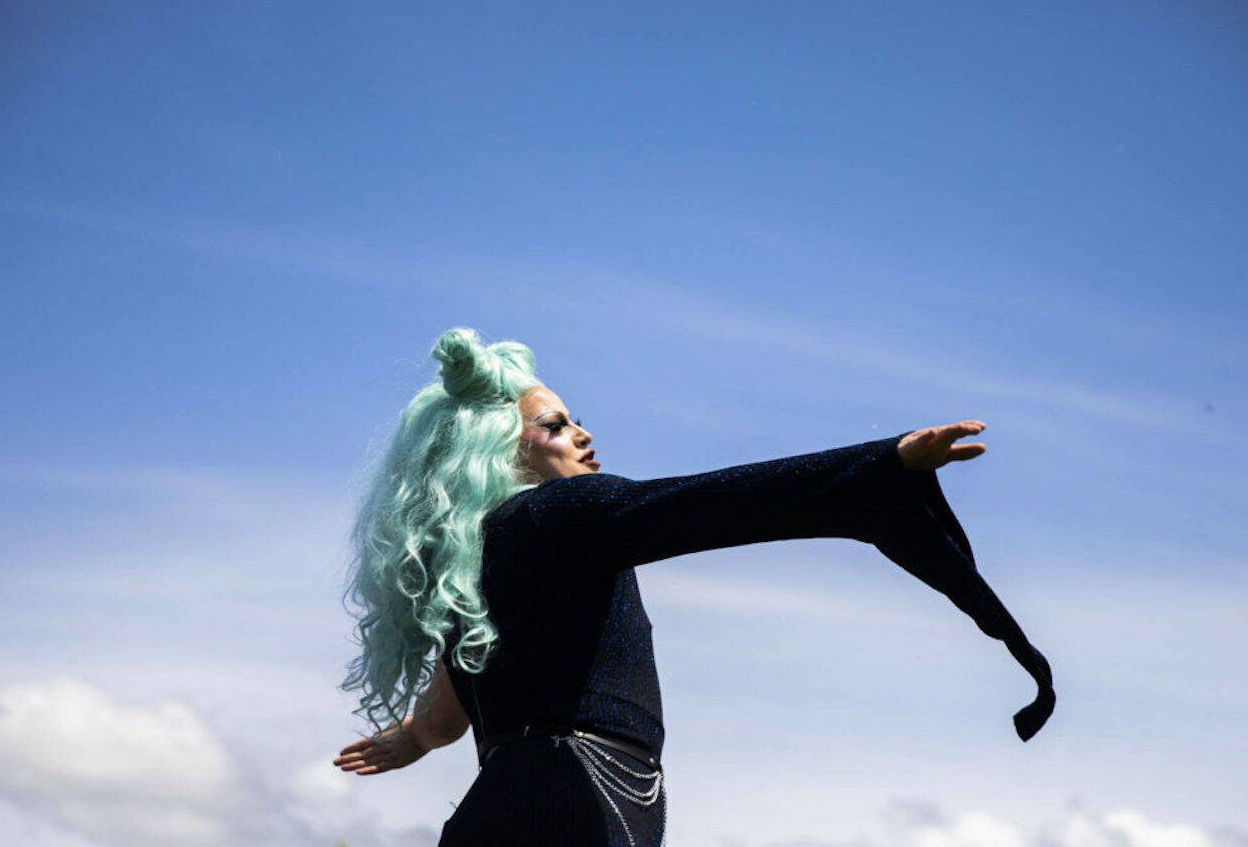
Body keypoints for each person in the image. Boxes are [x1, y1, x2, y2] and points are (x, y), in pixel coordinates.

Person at [333, 327, 1055, 846]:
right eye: (556, 425)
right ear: (496, 449)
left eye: (576, 418)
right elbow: (710, 505)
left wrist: (409, 743)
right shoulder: (561, 511)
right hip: (567, 799)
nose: (583, 433)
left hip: (531, 795)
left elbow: (446, 718)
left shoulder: (474, 558)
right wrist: (879, 467)